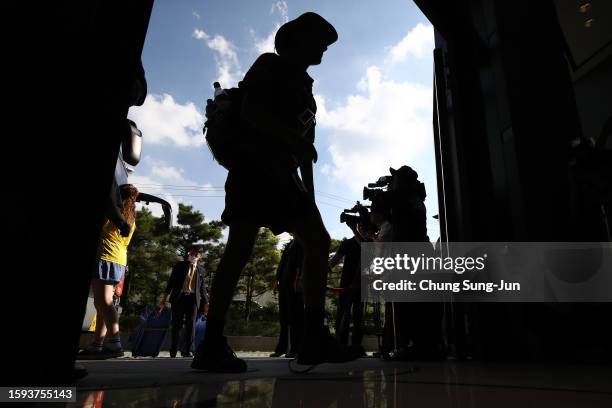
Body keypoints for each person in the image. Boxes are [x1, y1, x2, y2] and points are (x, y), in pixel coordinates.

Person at [192, 12, 358, 372]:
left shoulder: (304, 84)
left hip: (283, 175)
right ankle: (212, 344)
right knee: (240, 250)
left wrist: (299, 152)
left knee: (316, 241)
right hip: (254, 169)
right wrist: (292, 139)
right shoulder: (270, 64)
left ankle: (312, 338)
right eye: (319, 42)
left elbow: (301, 144)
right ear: (297, 40)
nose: (323, 50)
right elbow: (252, 111)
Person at [78, 184, 139, 359]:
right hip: (119, 260)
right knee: (101, 304)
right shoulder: (131, 218)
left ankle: (114, 343)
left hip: (106, 256)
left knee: (104, 302)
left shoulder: (112, 213)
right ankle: (97, 344)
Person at [159, 245, 209, 358]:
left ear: (200, 256)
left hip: (193, 300)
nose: (194, 256)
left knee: (191, 325)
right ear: (189, 254)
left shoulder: (201, 270)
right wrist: (163, 299)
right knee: (176, 324)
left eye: (197, 254)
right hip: (179, 299)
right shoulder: (180, 265)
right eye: (192, 253)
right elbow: (170, 283)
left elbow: (202, 289)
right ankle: (173, 350)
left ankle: (188, 350)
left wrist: (206, 303)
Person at [329, 224, 365, 354]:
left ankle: (356, 346)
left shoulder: (370, 242)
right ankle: (340, 344)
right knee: (342, 314)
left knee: (358, 316)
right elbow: (335, 259)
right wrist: (326, 269)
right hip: (345, 284)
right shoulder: (347, 243)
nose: (362, 229)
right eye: (360, 226)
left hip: (362, 285)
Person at [270, 240, 304, 358]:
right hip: (284, 283)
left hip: (293, 285)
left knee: (294, 318)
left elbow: (301, 263)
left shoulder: (302, 243)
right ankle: (281, 348)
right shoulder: (290, 244)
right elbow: (282, 263)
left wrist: (298, 278)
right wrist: (277, 279)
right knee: (283, 318)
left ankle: (295, 349)